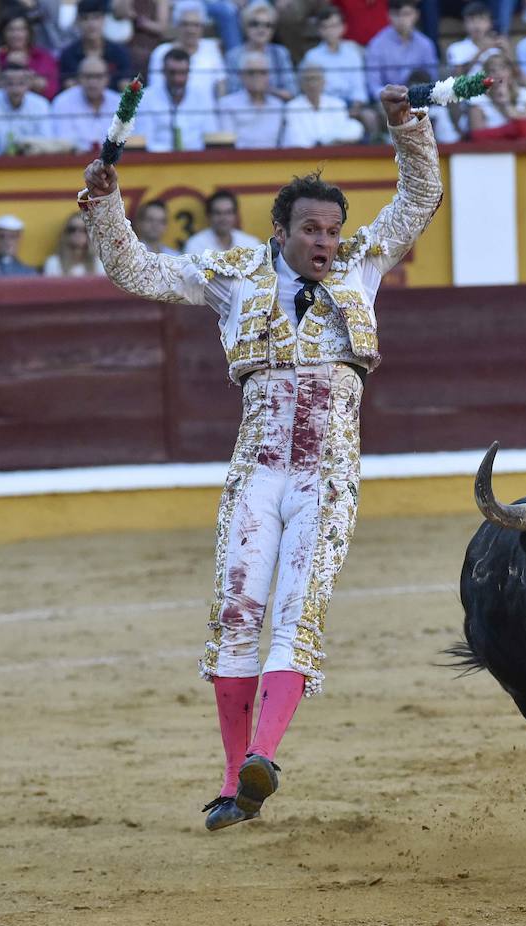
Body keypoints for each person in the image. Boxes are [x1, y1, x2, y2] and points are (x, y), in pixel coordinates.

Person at [78, 83, 443, 832]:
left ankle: (263, 759)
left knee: (296, 612)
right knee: (238, 612)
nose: (326, 241)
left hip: (328, 474)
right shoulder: (234, 275)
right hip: (258, 468)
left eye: (333, 231)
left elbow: (420, 194)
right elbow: (137, 272)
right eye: (311, 229)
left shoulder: (363, 264)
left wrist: (405, 125)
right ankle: (232, 783)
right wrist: (107, 206)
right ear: (280, 231)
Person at [300, 6, 378, 135]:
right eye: (326, 27)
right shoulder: (312, 56)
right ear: (320, 30)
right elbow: (310, 89)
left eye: (335, 25)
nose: (331, 31)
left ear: (343, 27)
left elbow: (359, 88)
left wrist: (355, 108)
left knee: (370, 116)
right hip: (325, 106)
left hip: (351, 105)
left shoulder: (352, 53)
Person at [139, 47, 219, 150]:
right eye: (172, 73)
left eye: (182, 73)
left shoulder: (202, 97)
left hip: (198, 161)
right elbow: (144, 141)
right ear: (163, 72)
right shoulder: (146, 98)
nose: (177, 79)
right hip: (158, 162)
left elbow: (211, 137)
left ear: (188, 73)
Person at [0, 53, 52, 155]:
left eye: (21, 83)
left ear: (29, 83)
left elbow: (46, 141)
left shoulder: (41, 104)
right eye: (10, 83)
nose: (15, 90)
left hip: (31, 164)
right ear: (1, 83)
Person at [148, 0, 227, 99]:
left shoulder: (211, 49)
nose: (191, 30)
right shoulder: (161, 52)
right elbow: (155, 90)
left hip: (206, 112)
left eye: (196, 25)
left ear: (203, 27)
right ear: (177, 26)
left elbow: (221, 87)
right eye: (185, 24)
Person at [365, 0, 437, 103]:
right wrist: (393, 96)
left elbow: (433, 80)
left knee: (440, 115)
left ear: (416, 15)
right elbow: (374, 86)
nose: (402, 19)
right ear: (388, 15)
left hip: (420, 100)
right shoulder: (377, 44)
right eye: (396, 14)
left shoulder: (426, 44)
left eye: (406, 14)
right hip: (389, 103)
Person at [226, 2, 297, 98]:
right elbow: (232, 93)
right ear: (245, 26)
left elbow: (292, 92)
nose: (261, 29)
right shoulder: (234, 56)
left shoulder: (280, 53)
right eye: (255, 24)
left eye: (268, 25)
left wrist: (264, 90)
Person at [57, 0, 133, 90]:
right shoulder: (68, 55)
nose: (91, 24)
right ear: (78, 22)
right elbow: (68, 87)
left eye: (96, 18)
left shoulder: (119, 53)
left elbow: (126, 87)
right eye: (85, 19)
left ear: (104, 20)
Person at [217, 51, 288, 147]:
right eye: (251, 73)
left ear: (269, 76)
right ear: (241, 76)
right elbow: (228, 145)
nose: (257, 77)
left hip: (274, 160)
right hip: (239, 160)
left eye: (262, 73)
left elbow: (284, 144)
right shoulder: (227, 104)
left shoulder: (278, 105)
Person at [283, 64, 365, 146]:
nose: (312, 84)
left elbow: (348, 132)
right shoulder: (292, 107)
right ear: (301, 84)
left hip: (334, 155)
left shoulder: (337, 104)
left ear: (324, 82)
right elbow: (296, 139)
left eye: (316, 79)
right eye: (308, 79)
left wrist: (326, 142)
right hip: (305, 156)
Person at [50, 55, 116, 151]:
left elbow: (129, 139)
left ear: (107, 78)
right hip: (73, 162)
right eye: (88, 77)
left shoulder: (118, 102)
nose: (93, 82)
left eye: (98, 76)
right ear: (79, 78)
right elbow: (63, 142)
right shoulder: (62, 102)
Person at [466, 51, 526, 140]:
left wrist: (506, 104)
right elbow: (477, 136)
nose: (498, 74)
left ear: (511, 72)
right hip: (491, 151)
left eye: (503, 68)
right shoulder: (478, 100)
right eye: (493, 71)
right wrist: (513, 129)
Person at [184, 190, 265, 254]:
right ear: (209, 215)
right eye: (218, 213)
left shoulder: (251, 243)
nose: (223, 218)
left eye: (228, 212)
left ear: (235, 215)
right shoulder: (195, 244)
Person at [0, 13, 60, 95]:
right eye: (10, 30)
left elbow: (52, 90)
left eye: (21, 30)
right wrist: (7, 64)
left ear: (29, 32)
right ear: (3, 33)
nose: (16, 34)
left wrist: (26, 73)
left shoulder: (43, 57)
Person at [445, 1, 505, 74]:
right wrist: (482, 50)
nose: (476, 25)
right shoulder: (455, 48)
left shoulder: (498, 47)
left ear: (490, 23)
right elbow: (457, 76)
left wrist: (507, 52)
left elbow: (516, 78)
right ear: (464, 24)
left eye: (481, 19)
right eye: (471, 20)